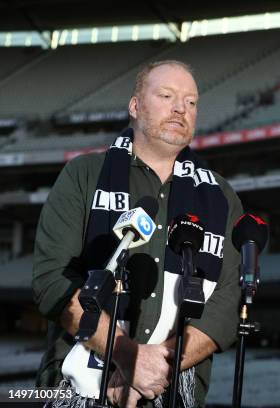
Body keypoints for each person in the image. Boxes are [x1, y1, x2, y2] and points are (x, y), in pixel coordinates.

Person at [32, 60, 243, 408]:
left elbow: (226, 303)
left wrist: (155, 365)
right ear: (134, 106)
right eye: (167, 96)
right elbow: (53, 281)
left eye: (191, 102)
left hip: (172, 390)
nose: (181, 108)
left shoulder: (222, 197)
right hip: (77, 385)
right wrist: (126, 355)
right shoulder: (83, 175)